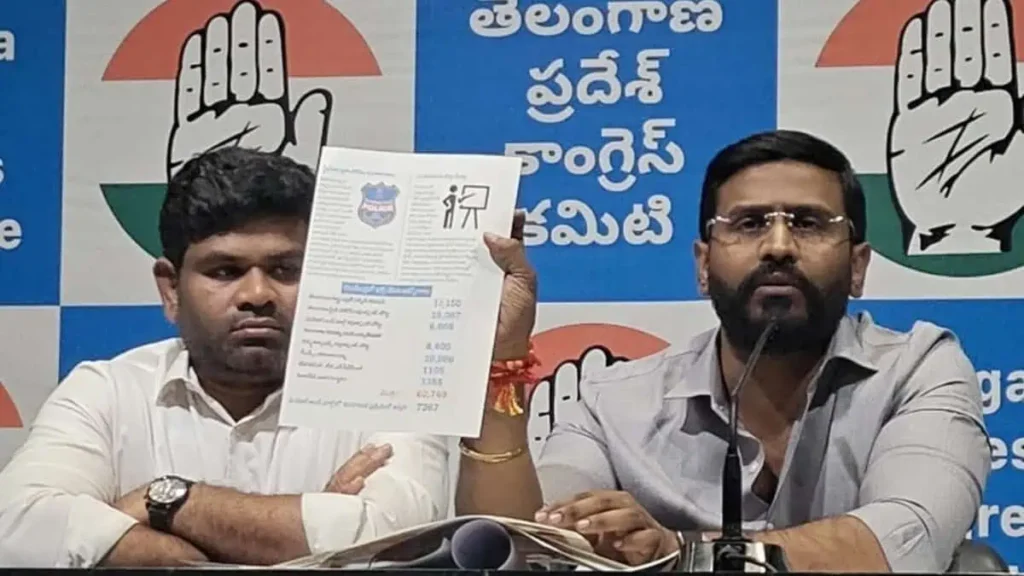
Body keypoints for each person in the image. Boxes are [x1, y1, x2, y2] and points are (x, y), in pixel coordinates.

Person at [455, 129, 992, 572]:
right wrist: (501, 356)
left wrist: (681, 554)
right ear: (703, 265)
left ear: (858, 266)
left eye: (808, 223)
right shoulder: (613, 404)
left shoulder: (917, 370)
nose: (778, 246)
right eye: (749, 223)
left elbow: (906, 538)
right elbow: (527, 548)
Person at [0, 147, 527, 568]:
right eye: (224, 271)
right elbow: (17, 528)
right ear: (170, 289)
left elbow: (395, 536)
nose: (257, 294)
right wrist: (307, 544)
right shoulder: (107, 390)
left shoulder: (390, 387)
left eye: (285, 270)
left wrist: (167, 502)